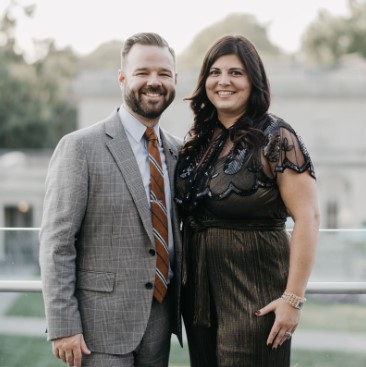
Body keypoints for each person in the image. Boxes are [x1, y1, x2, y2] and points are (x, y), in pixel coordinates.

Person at [175, 34, 320, 367]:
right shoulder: (199, 140)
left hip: (255, 294)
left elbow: (309, 217)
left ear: (254, 81)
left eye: (236, 73)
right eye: (215, 72)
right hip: (199, 299)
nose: (223, 81)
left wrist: (293, 300)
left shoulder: (277, 137)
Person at [39, 32, 183, 367]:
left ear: (175, 80)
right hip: (97, 330)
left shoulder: (177, 151)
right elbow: (56, 242)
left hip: (159, 323)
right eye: (142, 72)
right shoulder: (80, 148)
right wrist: (63, 326)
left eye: (163, 74)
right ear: (122, 78)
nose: (154, 82)